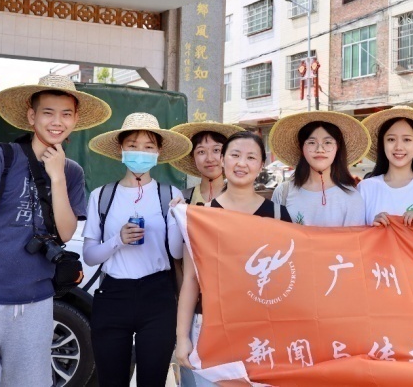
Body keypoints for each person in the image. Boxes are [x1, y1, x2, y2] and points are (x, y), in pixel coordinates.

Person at [0, 75, 111, 386]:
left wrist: (57, 177)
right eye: (48, 112)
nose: (57, 122)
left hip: (37, 304)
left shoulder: (71, 172)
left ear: (75, 120)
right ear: (31, 116)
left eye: (66, 114)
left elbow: (65, 233)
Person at [84, 113, 192, 387]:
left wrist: (177, 218)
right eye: (132, 145)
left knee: (153, 380)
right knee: (111, 381)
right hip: (113, 294)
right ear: (121, 149)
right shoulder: (102, 195)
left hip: (158, 295)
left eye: (148, 146)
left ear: (158, 152)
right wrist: (117, 240)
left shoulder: (170, 194)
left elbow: (176, 253)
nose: (140, 152)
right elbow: (90, 256)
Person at [176, 131, 291, 377]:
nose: (242, 163)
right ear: (223, 159)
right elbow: (191, 280)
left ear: (261, 164)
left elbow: (289, 280)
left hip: (264, 331)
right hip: (211, 329)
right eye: (235, 155)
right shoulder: (200, 217)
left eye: (251, 157)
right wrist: (182, 337)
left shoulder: (279, 215)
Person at [269, 111, 371, 226]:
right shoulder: (283, 192)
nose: (320, 149)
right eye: (312, 142)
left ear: (337, 148)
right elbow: (274, 232)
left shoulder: (352, 197)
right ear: (301, 148)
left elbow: (354, 237)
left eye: (327, 142)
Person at [170, 121, 244, 204]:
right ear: (193, 157)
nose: (209, 159)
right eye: (201, 152)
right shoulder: (182, 198)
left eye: (216, 150)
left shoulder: (243, 199)